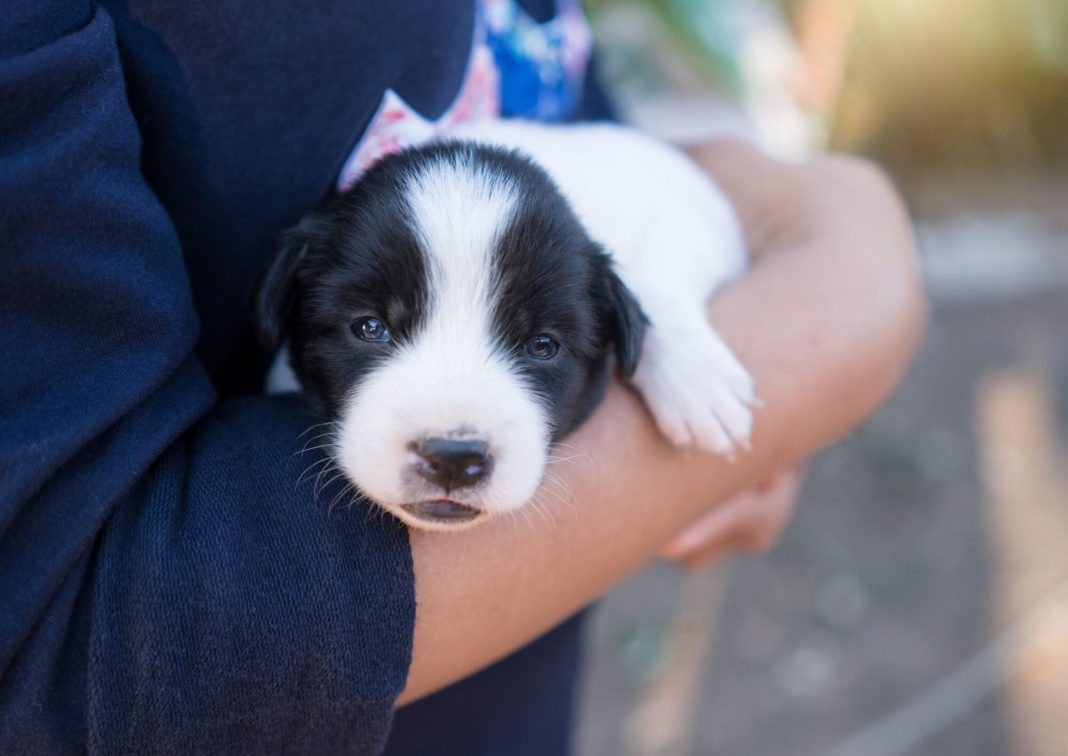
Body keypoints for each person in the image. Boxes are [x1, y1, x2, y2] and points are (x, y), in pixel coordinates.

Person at [0, 0, 925, 753]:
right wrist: (833, 332)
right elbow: (63, 637)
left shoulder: (597, 258)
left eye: (537, 347)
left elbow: (575, 106)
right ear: (284, 298)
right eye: (371, 327)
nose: (453, 431)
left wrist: (741, 254)